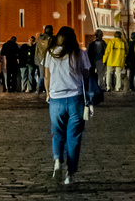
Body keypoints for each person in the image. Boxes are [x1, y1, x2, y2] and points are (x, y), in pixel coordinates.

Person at [44, 26, 91, 187]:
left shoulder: (51, 53)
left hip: (56, 99)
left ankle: (57, 162)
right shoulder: (80, 53)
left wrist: (48, 93)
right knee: (74, 138)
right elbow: (86, 77)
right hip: (75, 99)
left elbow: (46, 76)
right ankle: (69, 174)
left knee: (57, 134)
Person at [35, 25, 54, 94]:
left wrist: (36, 60)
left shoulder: (39, 39)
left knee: (42, 75)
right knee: (49, 75)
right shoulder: (52, 39)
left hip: (40, 59)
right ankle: (47, 90)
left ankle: (39, 88)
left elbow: (36, 50)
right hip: (50, 59)